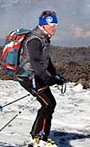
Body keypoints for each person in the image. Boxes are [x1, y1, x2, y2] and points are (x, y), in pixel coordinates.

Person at [17, 10, 66, 146]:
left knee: (49, 104)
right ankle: (39, 138)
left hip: (35, 76)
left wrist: (54, 74)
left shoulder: (44, 38)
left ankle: (39, 136)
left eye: (56, 25)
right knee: (47, 104)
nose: (55, 28)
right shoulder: (34, 40)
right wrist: (47, 78)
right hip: (28, 77)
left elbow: (46, 59)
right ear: (44, 25)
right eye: (53, 25)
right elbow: (35, 62)